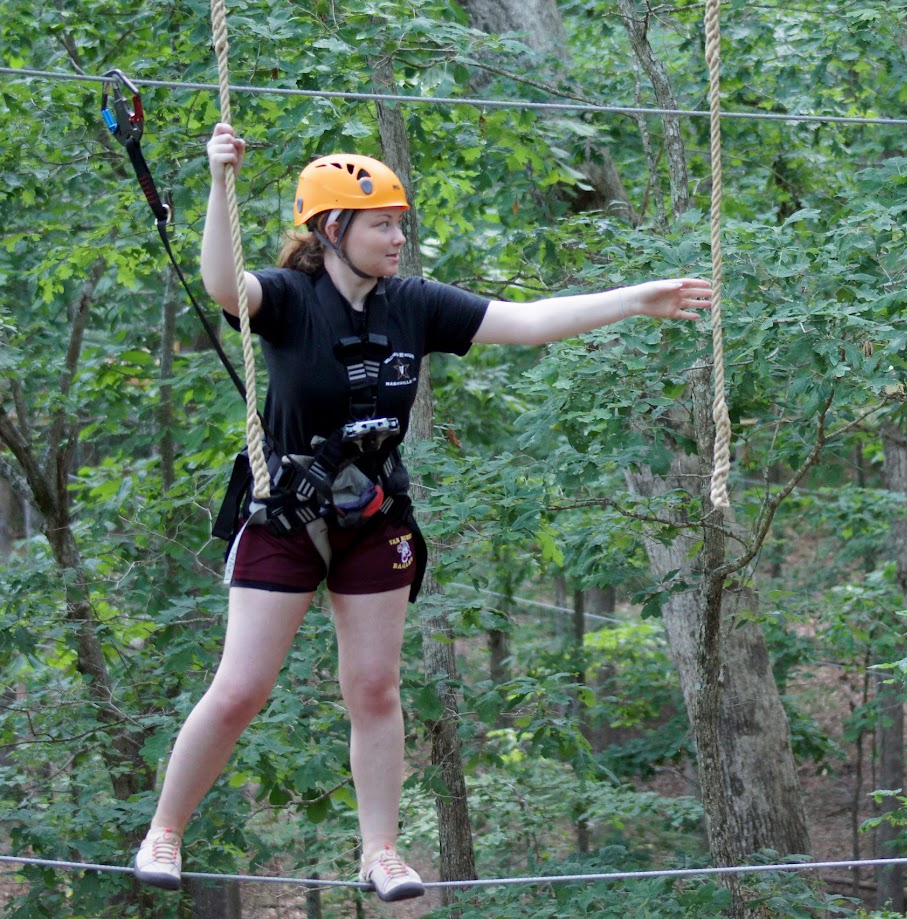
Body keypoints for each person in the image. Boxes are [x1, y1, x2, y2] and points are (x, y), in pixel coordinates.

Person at [132, 123, 711, 903]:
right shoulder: (290, 299)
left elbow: (527, 321)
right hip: (287, 516)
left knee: (374, 688)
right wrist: (219, 182)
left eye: (401, 223)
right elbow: (220, 284)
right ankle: (166, 828)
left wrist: (638, 299)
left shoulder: (415, 304)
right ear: (332, 231)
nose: (398, 237)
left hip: (373, 516)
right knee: (240, 688)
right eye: (382, 224)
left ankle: (380, 850)